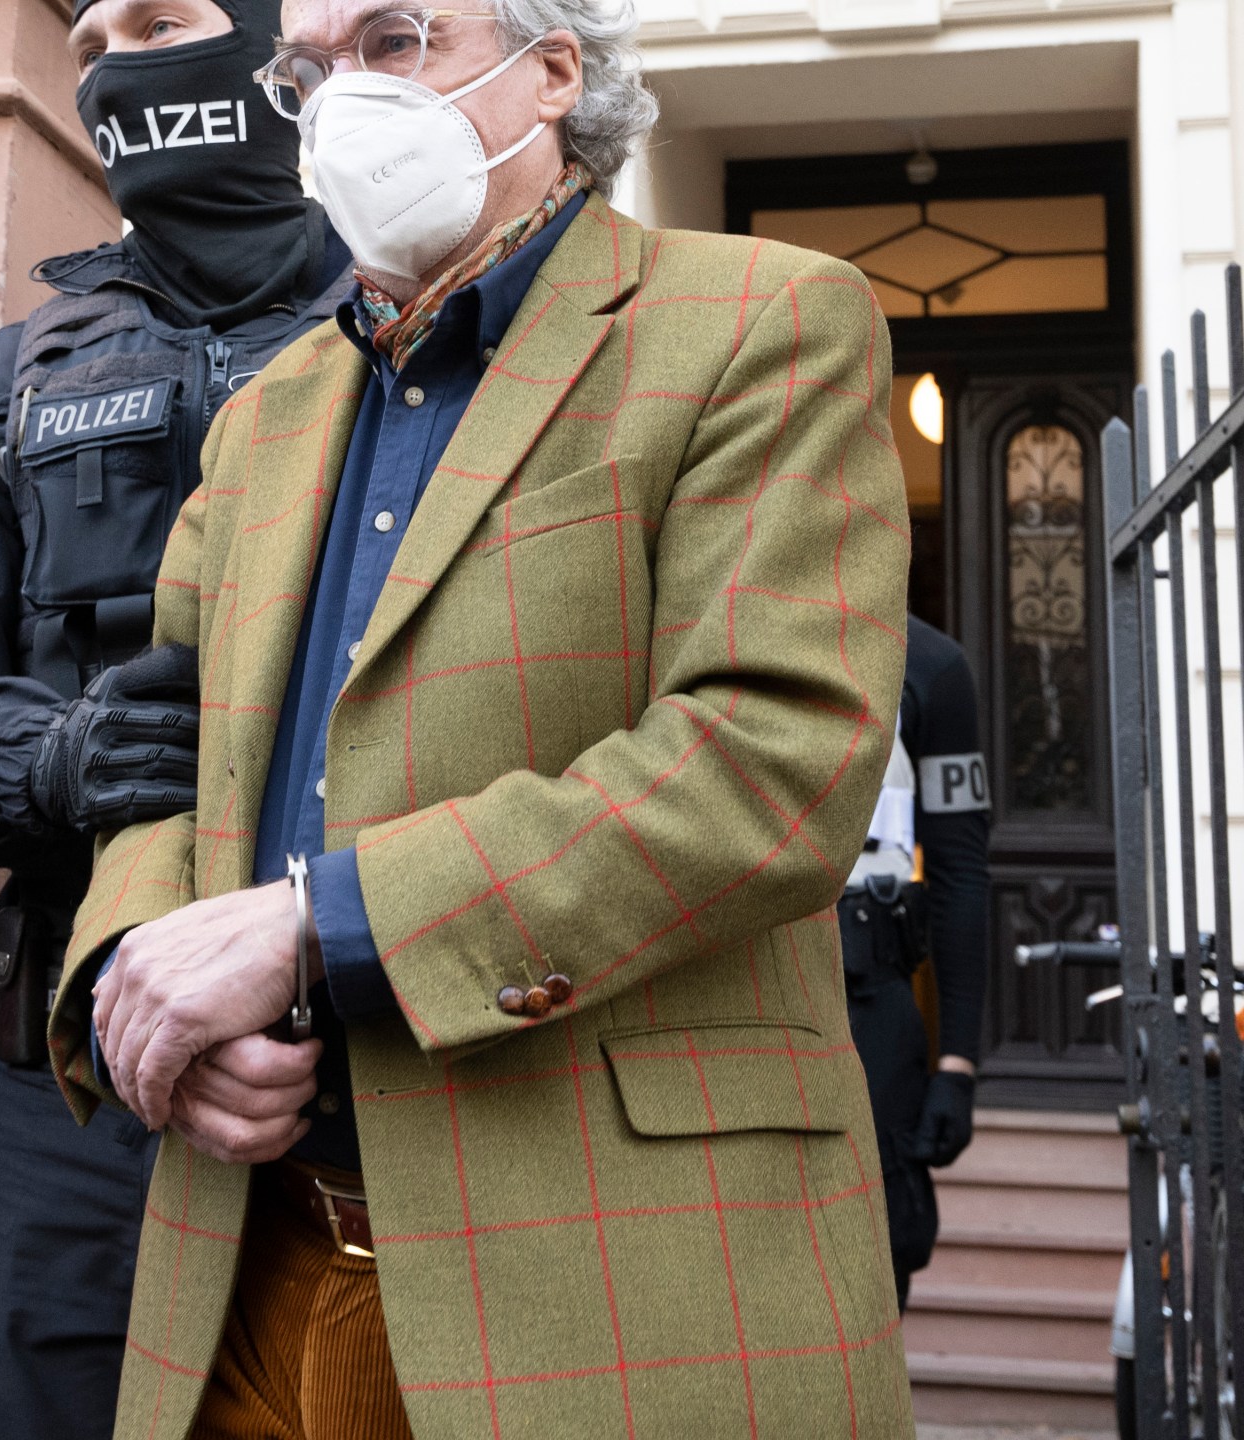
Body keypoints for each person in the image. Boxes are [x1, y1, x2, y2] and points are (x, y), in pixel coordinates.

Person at [47, 0, 918, 1435]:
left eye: (394, 43)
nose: (340, 106)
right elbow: (167, 753)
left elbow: (772, 763)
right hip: (249, 1261)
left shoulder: (764, 318)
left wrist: (315, 924)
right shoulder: (262, 417)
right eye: (307, 73)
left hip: (611, 1273)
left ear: (552, 72)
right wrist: (137, 982)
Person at [0, 0, 348, 1433]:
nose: (120, 55)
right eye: (95, 38)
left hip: (387, 1058)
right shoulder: (4, 385)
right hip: (78, 1088)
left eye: (163, 18)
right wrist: (55, 757)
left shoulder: (432, 319)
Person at [841, 614, 992, 1309]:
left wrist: (956, 1066)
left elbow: (961, 872)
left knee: (877, 1251)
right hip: (737, 991)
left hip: (873, 1001)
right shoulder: (720, 628)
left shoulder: (931, 666)